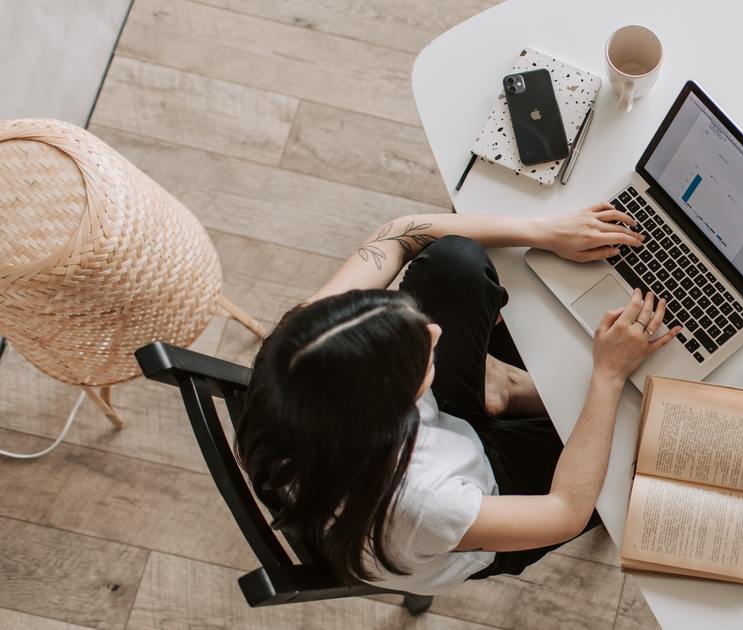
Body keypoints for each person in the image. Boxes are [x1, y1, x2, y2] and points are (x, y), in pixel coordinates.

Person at [235, 203, 681, 595]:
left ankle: (498, 390)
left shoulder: (303, 348)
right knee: (644, 449)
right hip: (486, 500)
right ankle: (505, 391)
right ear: (395, 409)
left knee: (453, 261)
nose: (434, 331)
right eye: (420, 356)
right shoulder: (425, 503)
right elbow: (564, 511)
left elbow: (396, 235)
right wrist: (607, 375)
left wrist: (544, 231)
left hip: (418, 444)